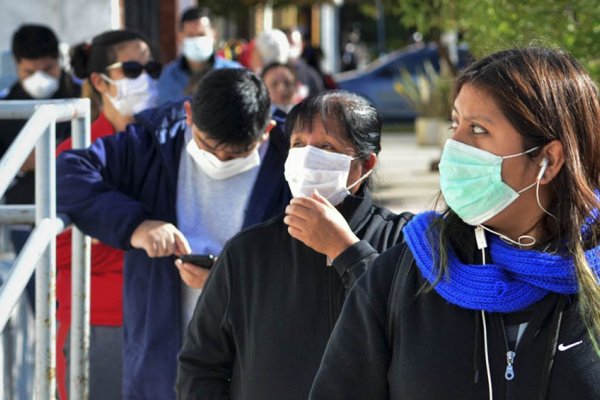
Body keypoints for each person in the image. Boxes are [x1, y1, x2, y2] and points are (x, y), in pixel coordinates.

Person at [309, 47, 600, 399]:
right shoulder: (399, 279)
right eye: (455, 123)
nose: (454, 146)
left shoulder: (591, 286)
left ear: (548, 160)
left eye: (478, 129)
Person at [56, 68, 291, 399]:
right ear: (189, 114)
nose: (219, 159)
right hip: (162, 355)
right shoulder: (152, 141)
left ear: (266, 130)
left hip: (257, 358)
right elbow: (68, 173)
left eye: (236, 153)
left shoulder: (292, 155)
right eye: (208, 145)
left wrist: (227, 282)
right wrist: (135, 226)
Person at [175, 91, 413, 400]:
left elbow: (415, 336)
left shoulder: (405, 241)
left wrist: (348, 253)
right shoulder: (248, 252)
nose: (308, 157)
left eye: (326, 147)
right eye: (299, 145)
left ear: (365, 164)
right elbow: (200, 366)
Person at [55, 29, 161, 400]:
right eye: (132, 69)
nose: (145, 77)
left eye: (151, 68)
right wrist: (137, 238)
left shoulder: (165, 142)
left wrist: (104, 233)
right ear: (99, 81)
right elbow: (61, 253)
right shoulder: (75, 153)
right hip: (99, 321)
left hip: (163, 319)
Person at [0, 23, 80, 310]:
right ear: (17, 65)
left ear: (59, 60)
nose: (40, 79)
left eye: (48, 69)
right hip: (27, 220)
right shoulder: (6, 107)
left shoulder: (83, 98)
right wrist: (22, 163)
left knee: (82, 305)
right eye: (30, 72)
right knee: (46, 309)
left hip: (80, 221)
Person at [157, 7, 240, 104]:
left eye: (201, 34)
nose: (196, 41)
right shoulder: (168, 76)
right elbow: (165, 114)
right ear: (179, 37)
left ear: (214, 35)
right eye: (190, 36)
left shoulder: (234, 72)